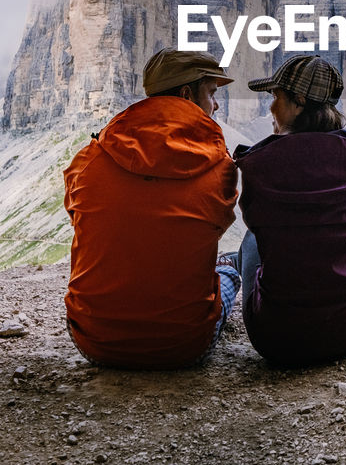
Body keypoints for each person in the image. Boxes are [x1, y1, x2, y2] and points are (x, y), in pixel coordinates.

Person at [64, 48, 240, 369]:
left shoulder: (87, 159)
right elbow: (216, 223)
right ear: (188, 94)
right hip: (184, 345)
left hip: (95, 341)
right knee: (230, 267)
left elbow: (79, 214)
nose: (215, 105)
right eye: (212, 93)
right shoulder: (220, 167)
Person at [231, 55, 346, 367]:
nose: (271, 107)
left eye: (276, 97)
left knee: (250, 240)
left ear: (299, 101)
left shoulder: (259, 163)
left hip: (277, 337)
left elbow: (257, 220)